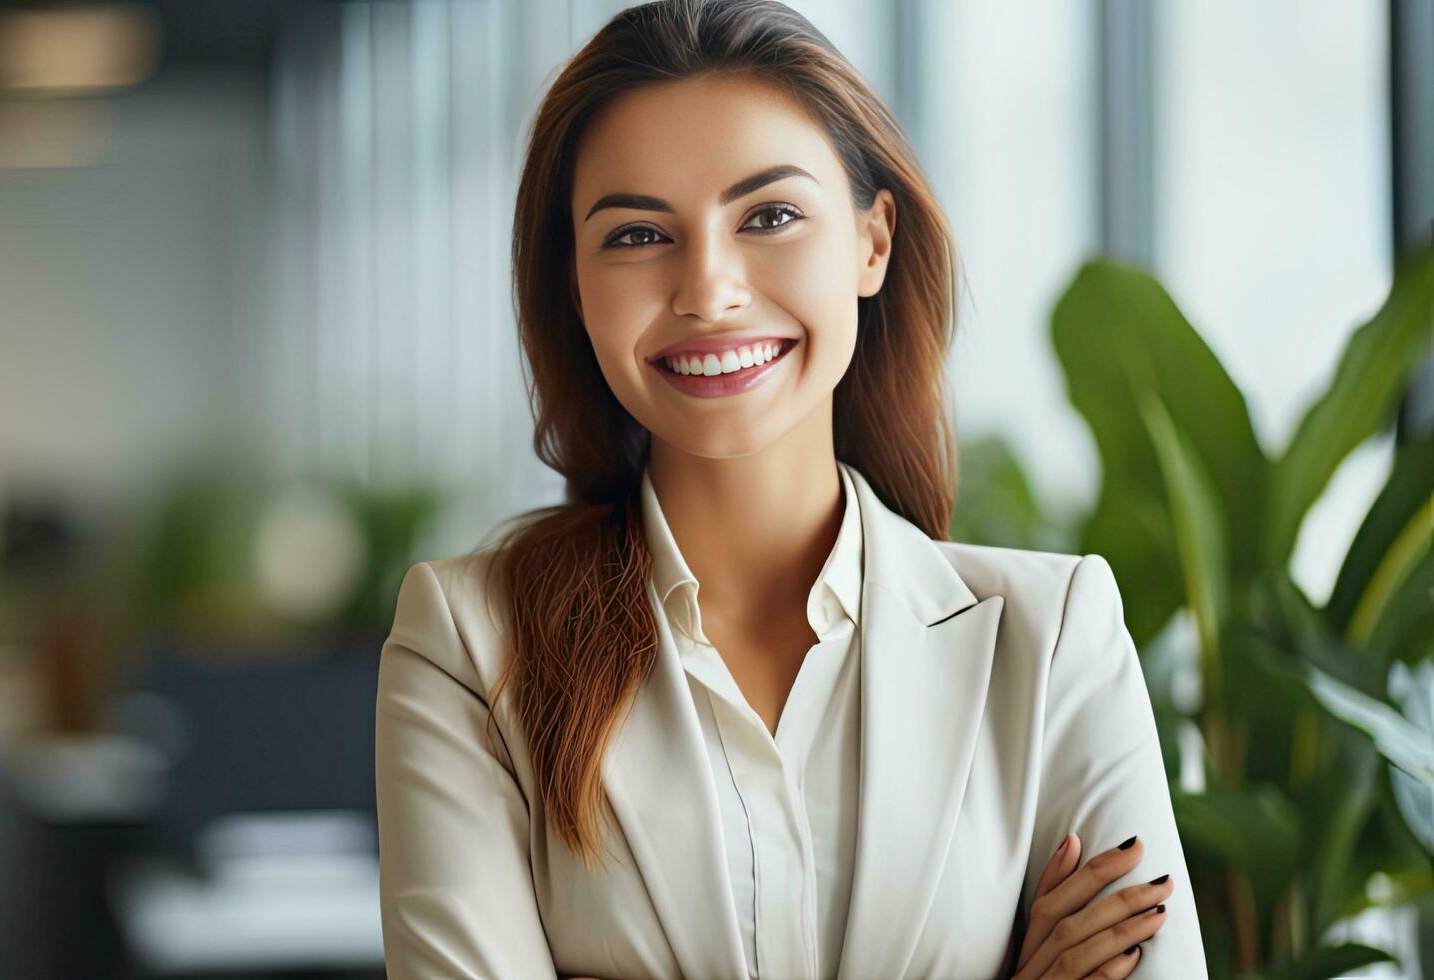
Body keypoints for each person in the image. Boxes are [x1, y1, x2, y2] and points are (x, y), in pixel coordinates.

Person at [371, 2, 1205, 978]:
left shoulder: (1050, 636)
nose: (708, 288)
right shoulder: (470, 644)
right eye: (637, 235)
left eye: (767, 215)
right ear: (573, 286)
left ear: (870, 240)